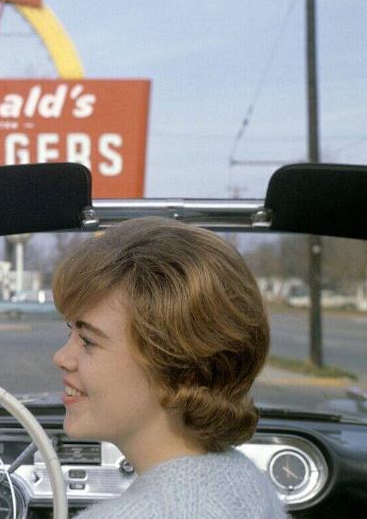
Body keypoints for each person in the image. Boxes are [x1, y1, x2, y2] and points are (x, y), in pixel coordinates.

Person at [52, 217, 286, 518]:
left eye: (87, 341)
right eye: (69, 332)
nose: (60, 357)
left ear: (179, 365)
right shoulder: (248, 482)